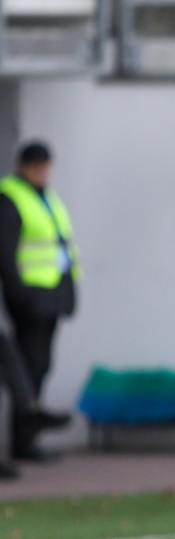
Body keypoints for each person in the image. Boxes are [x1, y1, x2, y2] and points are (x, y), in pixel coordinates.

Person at [0, 140, 78, 461]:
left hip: (51, 293)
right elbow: (7, 253)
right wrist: (19, 294)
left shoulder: (47, 198)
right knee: (25, 364)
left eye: (45, 167)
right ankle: (24, 434)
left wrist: (68, 291)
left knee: (39, 366)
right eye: (36, 167)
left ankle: (28, 431)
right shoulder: (12, 198)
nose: (42, 172)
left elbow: (60, 245)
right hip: (30, 296)